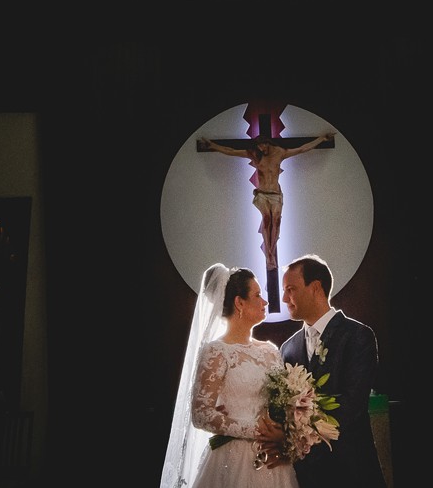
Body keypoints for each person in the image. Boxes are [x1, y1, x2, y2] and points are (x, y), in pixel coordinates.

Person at [161, 264, 297, 488]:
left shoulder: (271, 350)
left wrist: (282, 432)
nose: (265, 302)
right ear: (239, 303)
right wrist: (257, 430)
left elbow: (282, 401)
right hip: (232, 458)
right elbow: (201, 415)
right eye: (257, 295)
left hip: (273, 457)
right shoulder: (216, 351)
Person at [279, 254, 387, 488]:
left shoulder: (357, 336)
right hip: (304, 476)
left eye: (290, 289)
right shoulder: (288, 348)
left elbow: (352, 403)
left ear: (315, 288)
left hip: (350, 471)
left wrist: (298, 427)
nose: (284, 298)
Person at [198, 133, 335, 272]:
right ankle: (269, 256)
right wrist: (212, 145)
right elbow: (231, 151)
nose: (261, 149)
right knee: (267, 219)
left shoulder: (279, 153)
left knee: (276, 221)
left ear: (268, 143)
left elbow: (302, 149)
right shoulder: (255, 154)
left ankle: (271, 251)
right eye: (258, 147)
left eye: (263, 146)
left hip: (275, 194)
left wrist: (321, 139)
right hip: (262, 193)